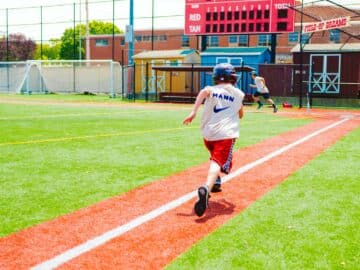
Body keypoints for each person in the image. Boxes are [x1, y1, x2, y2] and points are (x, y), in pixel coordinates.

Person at [183, 63, 245, 217]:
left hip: (208, 135)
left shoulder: (211, 89)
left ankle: (216, 182)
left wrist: (193, 112)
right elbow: (241, 114)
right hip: (225, 135)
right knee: (217, 162)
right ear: (233, 77)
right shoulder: (239, 94)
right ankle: (206, 188)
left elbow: (204, 92)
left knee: (214, 158)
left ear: (216, 77)